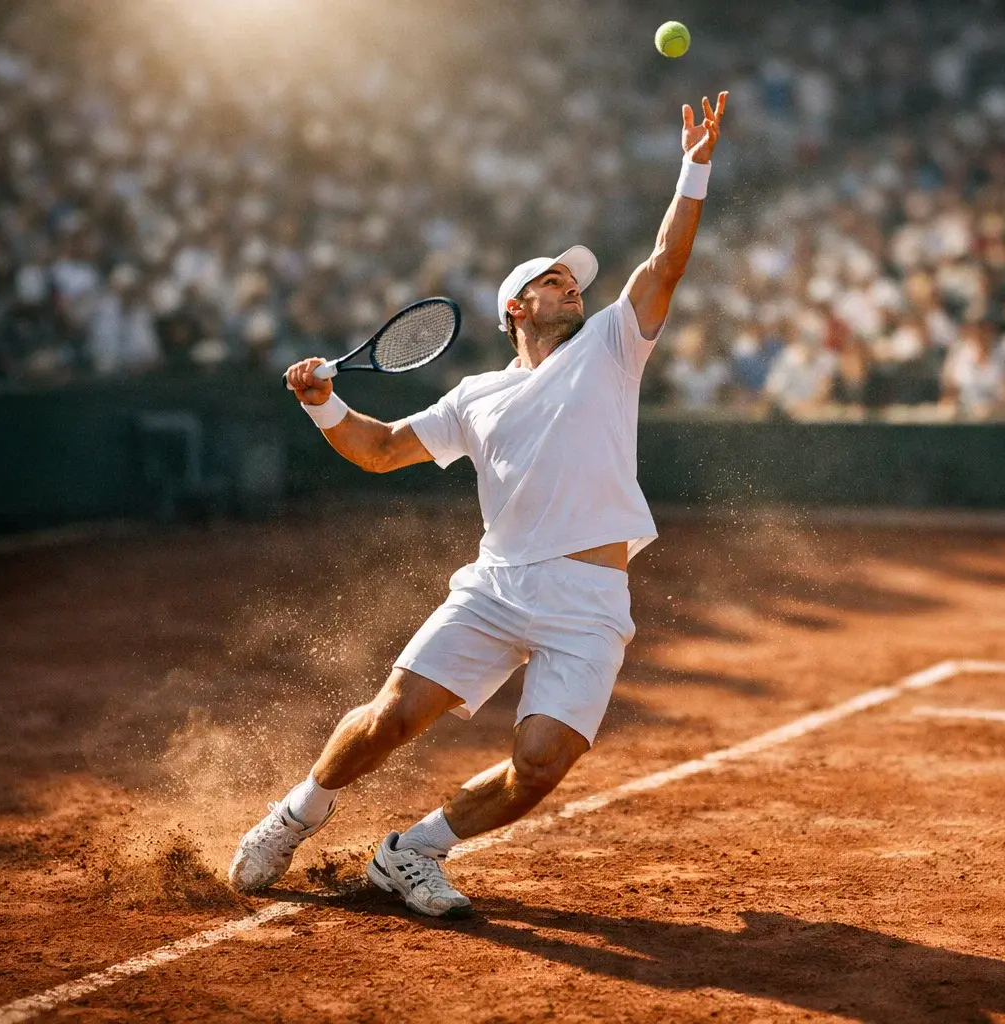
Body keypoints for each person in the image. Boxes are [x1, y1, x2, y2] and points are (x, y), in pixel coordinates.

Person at [227, 93, 730, 917]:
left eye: (575, 282)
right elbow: (381, 448)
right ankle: (295, 815)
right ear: (516, 309)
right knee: (394, 716)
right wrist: (321, 402)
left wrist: (696, 162)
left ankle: (411, 851)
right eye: (555, 281)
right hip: (497, 586)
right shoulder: (475, 395)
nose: (574, 288)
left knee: (541, 765)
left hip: (591, 600)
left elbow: (665, 260)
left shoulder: (612, 346)